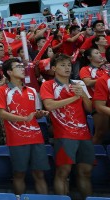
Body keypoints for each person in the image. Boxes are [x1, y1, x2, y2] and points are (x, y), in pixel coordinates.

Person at [40, 54, 94, 199]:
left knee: (86, 171)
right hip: (64, 134)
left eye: (69, 65)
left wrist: (82, 94)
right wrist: (74, 97)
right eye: (63, 65)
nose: (67, 68)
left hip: (83, 133)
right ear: (54, 68)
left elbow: (89, 109)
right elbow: (49, 105)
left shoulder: (79, 84)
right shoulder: (48, 84)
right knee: (63, 171)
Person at [0, 58, 50, 195]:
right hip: (17, 139)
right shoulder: (2, 90)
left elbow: (35, 114)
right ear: (9, 72)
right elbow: (1, 113)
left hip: (36, 136)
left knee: (39, 174)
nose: (22, 68)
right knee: (19, 174)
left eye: (22, 66)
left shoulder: (32, 90)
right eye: (18, 66)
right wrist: (24, 118)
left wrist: (40, 113)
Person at [80, 48, 109, 144]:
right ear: (89, 57)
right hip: (96, 103)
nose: (100, 54)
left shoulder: (105, 70)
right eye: (96, 53)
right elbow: (87, 83)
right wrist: (104, 79)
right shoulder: (85, 69)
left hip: (107, 101)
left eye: (99, 52)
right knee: (100, 133)